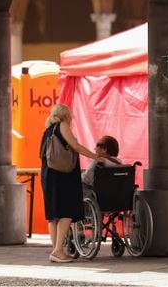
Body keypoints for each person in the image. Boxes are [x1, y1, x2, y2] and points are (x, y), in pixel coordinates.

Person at [40, 103, 103, 263]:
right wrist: (95, 156)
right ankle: (58, 250)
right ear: (65, 116)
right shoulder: (62, 126)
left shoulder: (48, 130)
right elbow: (76, 146)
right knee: (67, 211)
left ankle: (56, 250)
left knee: (53, 215)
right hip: (63, 175)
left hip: (49, 175)